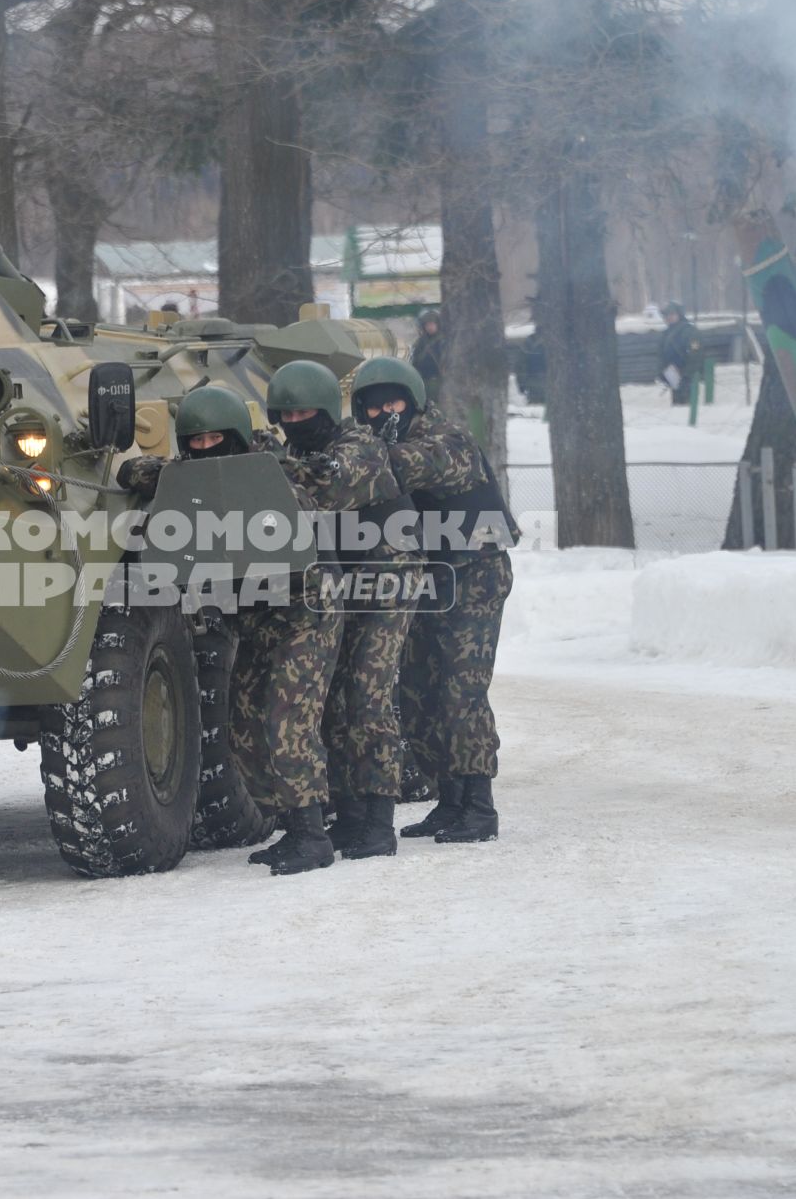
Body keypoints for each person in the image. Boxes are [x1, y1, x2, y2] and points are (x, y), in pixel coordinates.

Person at [117, 386, 345, 875]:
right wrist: (149, 470)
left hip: (304, 611)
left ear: (237, 436)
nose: (205, 450)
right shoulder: (190, 478)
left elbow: (307, 503)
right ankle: (290, 821)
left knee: (288, 721)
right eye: (194, 443)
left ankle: (312, 834)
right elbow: (139, 471)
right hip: (255, 617)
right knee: (241, 731)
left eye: (215, 439)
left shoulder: (274, 470)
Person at [349, 355, 514, 844]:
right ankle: (449, 798)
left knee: (462, 693)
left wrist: (368, 457)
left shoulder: (447, 439)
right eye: (373, 408)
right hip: (426, 580)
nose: (385, 414)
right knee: (417, 696)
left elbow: (425, 464)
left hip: (475, 576)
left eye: (394, 402)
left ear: (414, 400)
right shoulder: (376, 446)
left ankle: (478, 805)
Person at [265, 359, 414, 861]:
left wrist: (274, 468)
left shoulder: (360, 447)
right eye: (287, 414)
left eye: (306, 410)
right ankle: (349, 812)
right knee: (333, 703)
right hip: (338, 580)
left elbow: (330, 484)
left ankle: (378, 818)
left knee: (368, 696)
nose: (296, 421)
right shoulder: (292, 452)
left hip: (386, 574)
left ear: (327, 408)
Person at [658, 300, 703, 406]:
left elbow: (695, 353)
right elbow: (661, 355)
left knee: (688, 404)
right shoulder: (665, 334)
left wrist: (687, 373)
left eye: (672, 314)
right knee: (677, 405)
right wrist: (662, 371)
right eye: (666, 315)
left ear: (679, 314)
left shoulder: (690, 332)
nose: (668, 317)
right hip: (672, 374)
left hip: (687, 376)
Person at [410, 307, 447, 400]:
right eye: (427, 325)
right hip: (424, 379)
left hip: (440, 379)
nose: (429, 327)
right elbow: (415, 360)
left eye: (432, 324)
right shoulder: (421, 342)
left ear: (437, 325)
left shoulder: (443, 341)